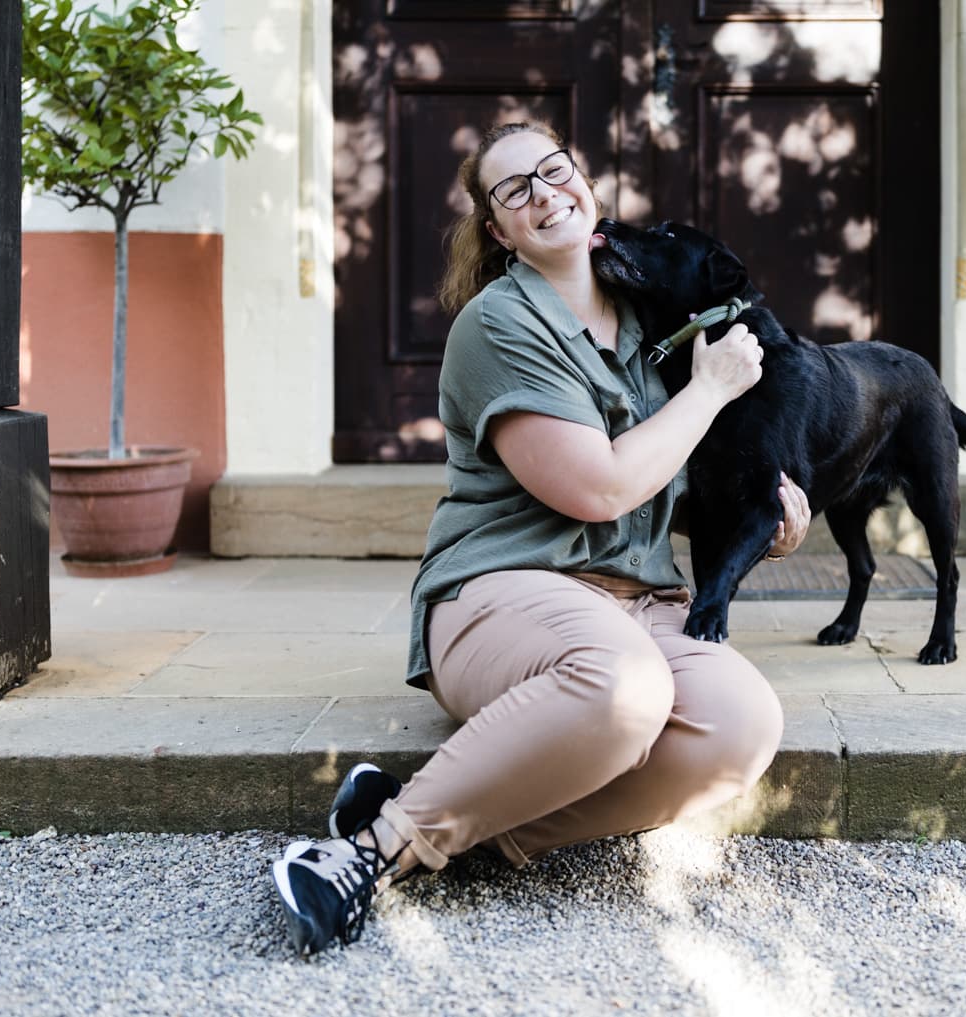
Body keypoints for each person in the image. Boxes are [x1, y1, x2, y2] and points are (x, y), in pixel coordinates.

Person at [271, 121, 811, 955]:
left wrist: (760, 527)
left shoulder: (647, 318)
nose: (544, 194)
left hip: (639, 601)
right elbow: (598, 488)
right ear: (498, 230)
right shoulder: (499, 325)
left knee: (740, 724)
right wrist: (707, 392)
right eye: (515, 189)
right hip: (506, 591)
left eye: (555, 171)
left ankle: (449, 829)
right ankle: (364, 857)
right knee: (622, 687)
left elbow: (661, 482)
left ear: (584, 183)